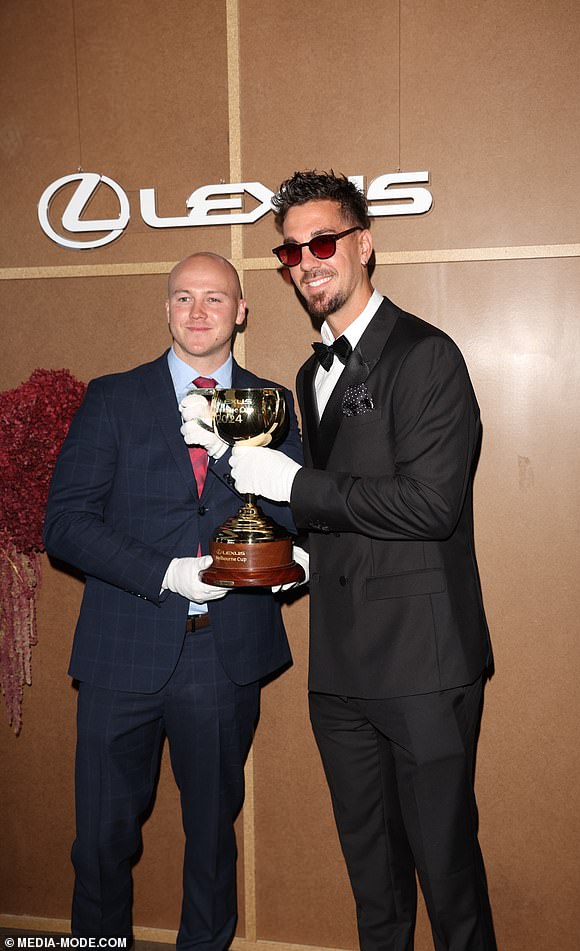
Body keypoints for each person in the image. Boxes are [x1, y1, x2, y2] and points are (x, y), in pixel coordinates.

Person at [228, 172, 496, 951]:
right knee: (372, 877)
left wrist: (297, 484)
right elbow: (344, 510)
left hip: (423, 662)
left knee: (447, 875)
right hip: (340, 669)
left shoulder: (427, 355)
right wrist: (305, 553)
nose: (306, 262)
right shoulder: (313, 374)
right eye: (290, 251)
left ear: (364, 244)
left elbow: (430, 505)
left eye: (321, 242)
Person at [43, 251, 303, 950]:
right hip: (121, 651)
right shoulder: (112, 397)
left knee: (212, 840)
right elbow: (64, 524)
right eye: (183, 298)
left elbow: (296, 511)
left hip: (223, 655)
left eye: (215, 299)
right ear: (166, 309)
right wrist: (164, 571)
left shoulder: (271, 401)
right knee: (99, 841)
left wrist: (292, 558)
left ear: (241, 311)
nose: (197, 312)